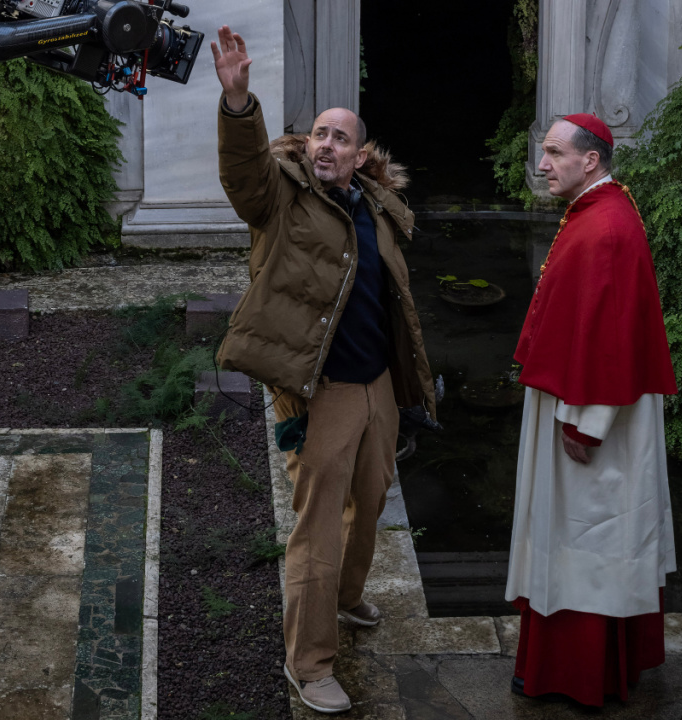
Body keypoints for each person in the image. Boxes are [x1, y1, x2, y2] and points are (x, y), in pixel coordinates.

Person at [209, 26, 436, 715]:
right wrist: (239, 101)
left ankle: (345, 596)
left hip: (377, 387)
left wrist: (407, 385)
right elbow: (243, 177)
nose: (327, 145)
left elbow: (396, 302)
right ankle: (309, 663)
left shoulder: (377, 207)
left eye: (341, 138)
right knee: (316, 522)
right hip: (325, 386)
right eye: (319, 135)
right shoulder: (282, 193)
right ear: (307, 145)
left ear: (362, 154)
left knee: (369, 503)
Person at [504, 113, 678, 706]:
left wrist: (587, 421)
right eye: (544, 152)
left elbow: (609, 337)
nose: (542, 164)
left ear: (591, 160)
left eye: (553, 153)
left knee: (586, 537)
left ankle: (577, 675)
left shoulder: (604, 227)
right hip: (578, 402)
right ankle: (566, 668)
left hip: (589, 418)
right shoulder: (600, 211)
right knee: (580, 537)